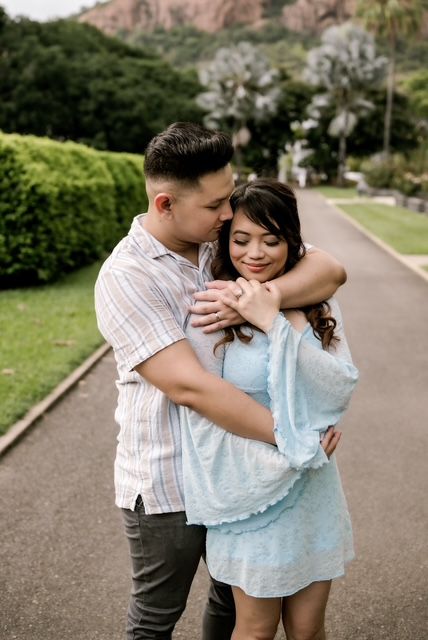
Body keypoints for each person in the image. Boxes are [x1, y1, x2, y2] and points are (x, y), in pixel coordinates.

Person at [94, 122, 347, 640]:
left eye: (229, 198)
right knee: (156, 617)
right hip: (168, 479)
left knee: (231, 601)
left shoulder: (220, 244)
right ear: (165, 204)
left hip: (242, 469)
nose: (229, 214)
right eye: (215, 205)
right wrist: (294, 436)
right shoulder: (127, 276)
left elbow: (328, 270)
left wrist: (259, 301)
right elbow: (190, 387)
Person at [181, 178, 359, 640]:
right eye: (241, 240)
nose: (255, 253)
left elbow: (335, 390)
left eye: (271, 240)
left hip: (312, 489)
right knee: (256, 630)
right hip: (250, 492)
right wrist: (294, 446)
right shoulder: (213, 307)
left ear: (292, 242)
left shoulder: (315, 302)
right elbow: (205, 412)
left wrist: (273, 317)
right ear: (226, 241)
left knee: (307, 629)